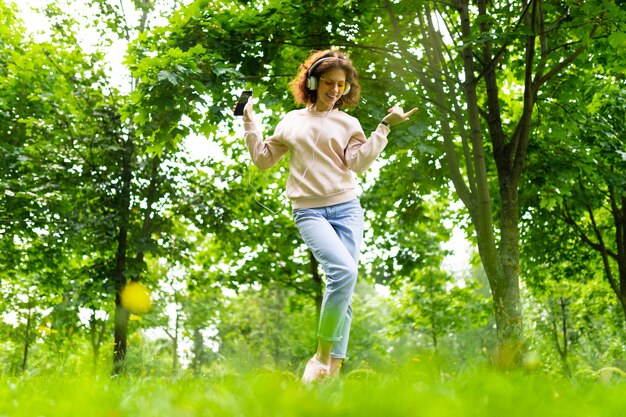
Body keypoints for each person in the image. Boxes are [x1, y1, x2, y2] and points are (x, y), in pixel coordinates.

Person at [242, 49, 417, 383]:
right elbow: (263, 160)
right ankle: (320, 357)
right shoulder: (291, 121)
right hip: (308, 210)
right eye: (329, 83)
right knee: (344, 271)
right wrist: (249, 120)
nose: (336, 90)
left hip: (347, 209)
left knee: (344, 285)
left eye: (342, 85)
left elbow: (358, 163)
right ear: (312, 81)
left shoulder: (348, 123)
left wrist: (383, 127)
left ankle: (329, 378)